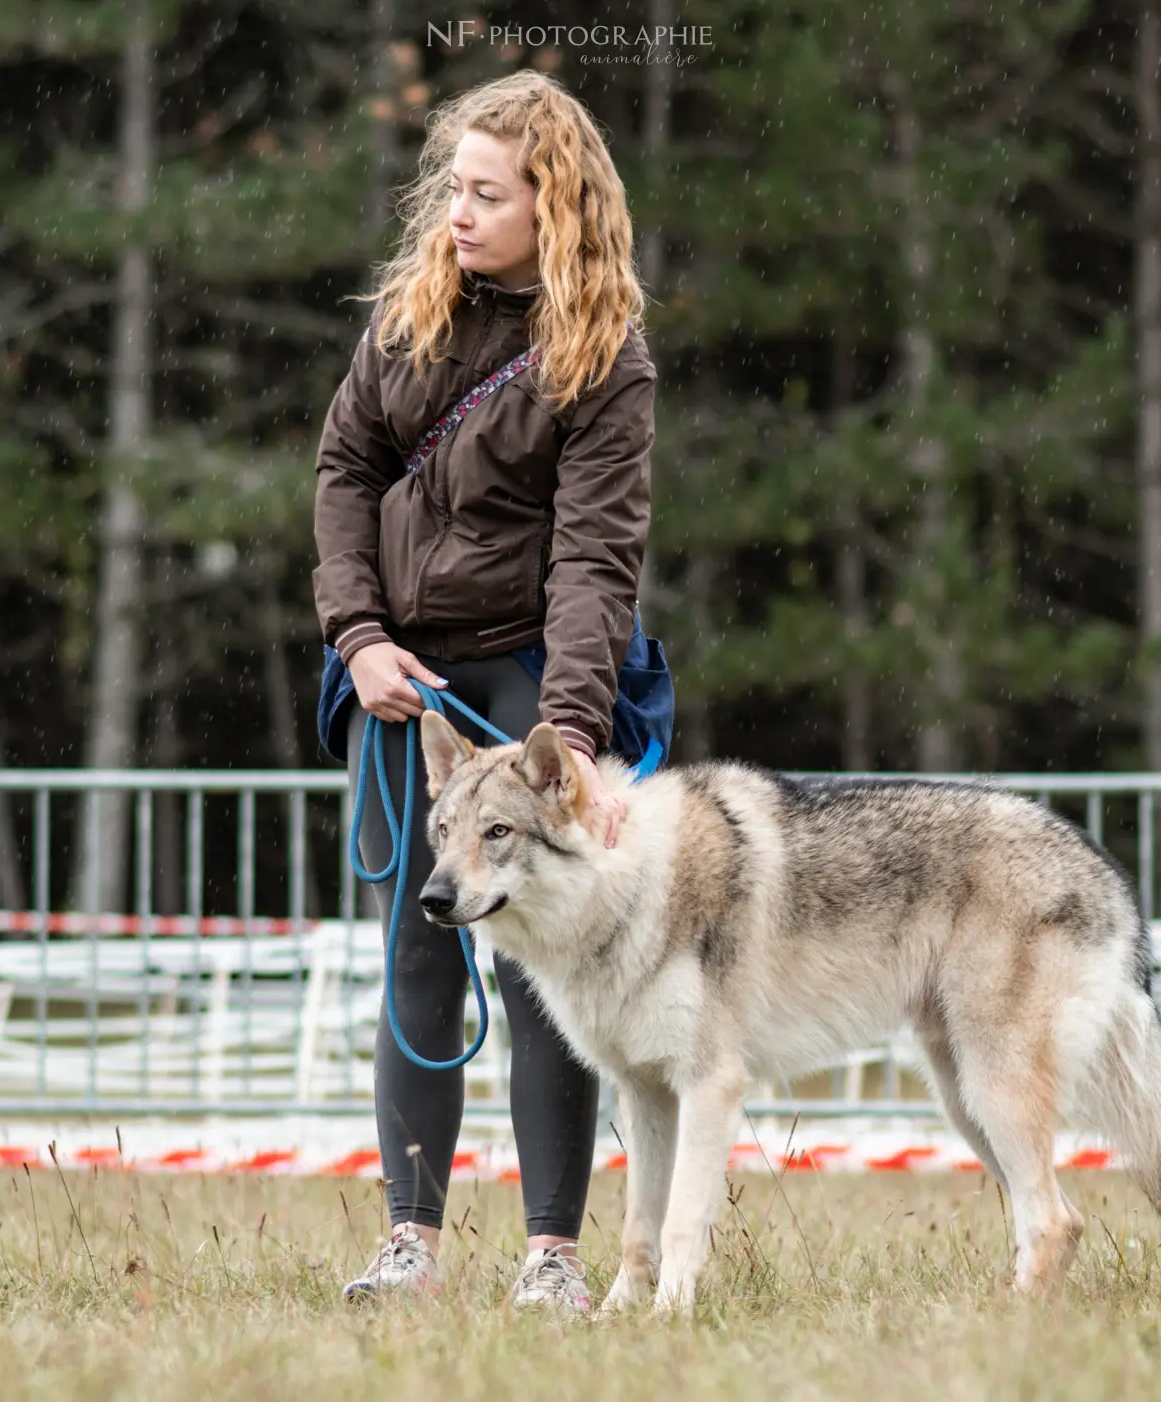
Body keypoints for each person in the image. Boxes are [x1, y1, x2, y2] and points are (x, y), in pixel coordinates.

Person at [310, 70, 658, 1314]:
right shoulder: (407, 317)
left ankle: (553, 1257)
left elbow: (594, 557)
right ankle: (409, 1240)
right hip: (401, 680)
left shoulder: (604, 359)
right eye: (450, 188)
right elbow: (345, 468)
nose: (455, 213)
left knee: (541, 972)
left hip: (529, 681)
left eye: (485, 193)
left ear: (549, 204)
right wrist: (356, 640)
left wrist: (561, 736)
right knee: (417, 946)